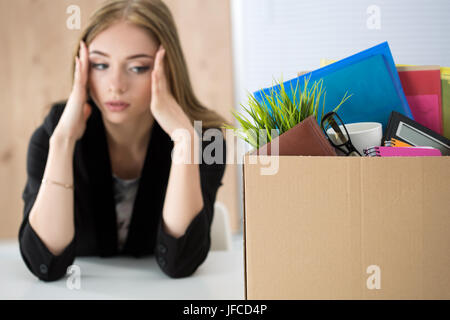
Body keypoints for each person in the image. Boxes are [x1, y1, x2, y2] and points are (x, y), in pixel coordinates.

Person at [18, 0, 227, 282]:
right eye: (100, 64)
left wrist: (184, 141)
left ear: (167, 68)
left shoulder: (205, 139)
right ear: (82, 68)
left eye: (137, 67)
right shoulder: (55, 133)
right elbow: (46, 263)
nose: (115, 84)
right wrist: (64, 142)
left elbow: (181, 261)